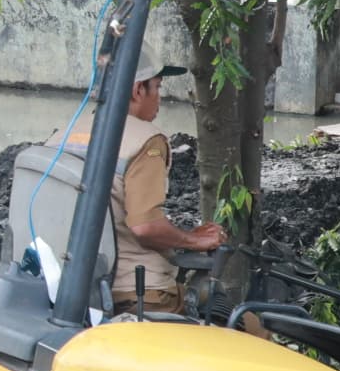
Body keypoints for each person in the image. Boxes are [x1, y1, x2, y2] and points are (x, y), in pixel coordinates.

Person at [61, 62, 224, 313]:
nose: (160, 98)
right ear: (138, 90)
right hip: (135, 293)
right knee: (249, 327)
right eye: (157, 88)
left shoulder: (67, 131)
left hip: (69, 285)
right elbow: (146, 228)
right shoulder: (147, 141)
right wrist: (193, 240)